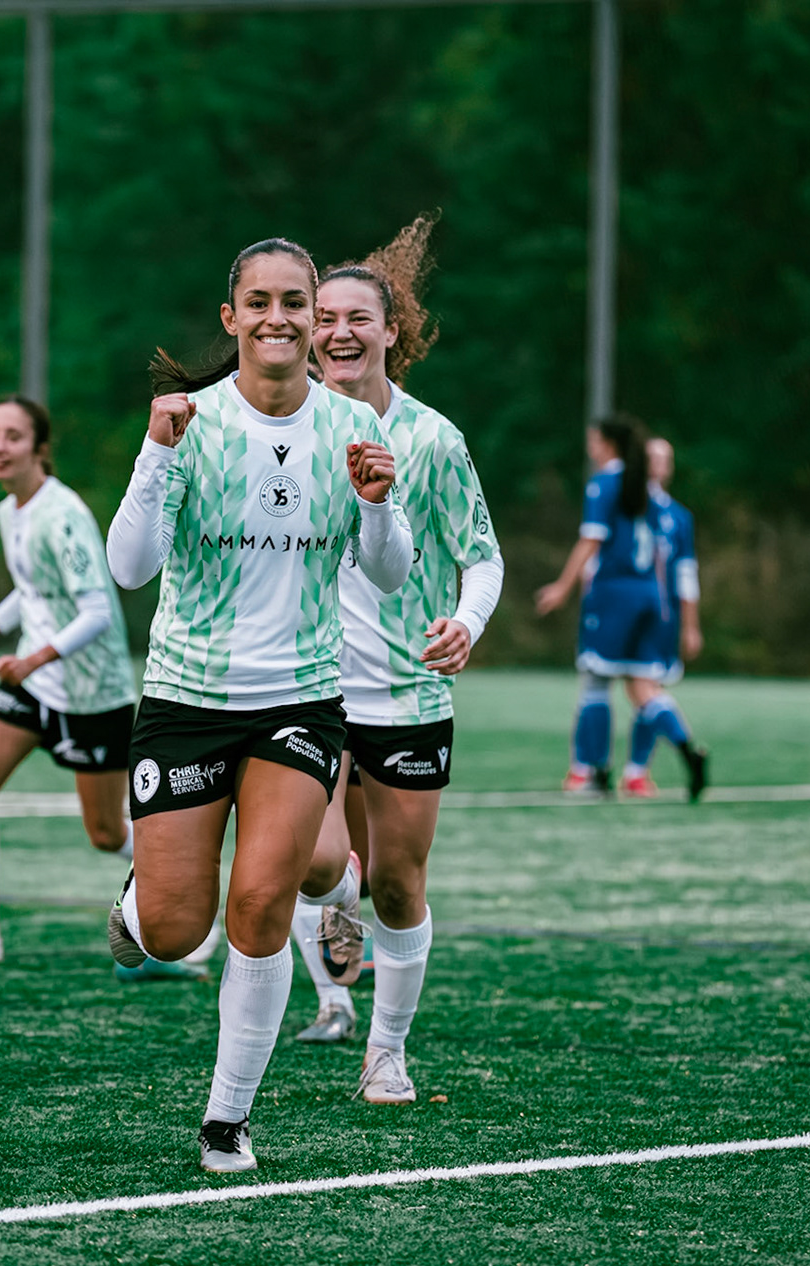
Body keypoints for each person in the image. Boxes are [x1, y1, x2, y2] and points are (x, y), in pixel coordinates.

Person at [103, 238, 414, 1172]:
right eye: (261, 302)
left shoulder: (349, 426)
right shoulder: (188, 422)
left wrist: (375, 504)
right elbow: (129, 567)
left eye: (298, 304)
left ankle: (226, 1120)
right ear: (232, 317)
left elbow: (390, 576)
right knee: (171, 931)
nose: (280, 319)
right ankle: (137, 895)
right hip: (187, 699)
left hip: (300, 704)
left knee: (262, 903)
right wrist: (154, 457)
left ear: (318, 322)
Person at [287, 217, 504, 1105]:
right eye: (323, 318)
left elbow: (481, 555)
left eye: (357, 319)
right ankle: (334, 911)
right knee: (315, 862)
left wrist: (467, 623)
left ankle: (386, 1053)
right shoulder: (280, 428)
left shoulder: (433, 440)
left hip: (411, 694)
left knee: (397, 882)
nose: (338, 332)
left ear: (390, 332)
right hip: (307, 688)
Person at [0, 394, 210, 977]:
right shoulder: (12, 512)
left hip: (90, 692)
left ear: (40, 448)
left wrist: (31, 660)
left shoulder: (63, 515)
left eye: (12, 436)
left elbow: (97, 611)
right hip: (34, 685)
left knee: (107, 834)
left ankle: (189, 906)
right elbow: (30, 592)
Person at [534, 413, 673, 797]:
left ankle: (590, 772)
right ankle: (651, 761)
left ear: (607, 443)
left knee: (596, 682)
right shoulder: (648, 488)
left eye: (594, 440)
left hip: (614, 595)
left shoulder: (606, 483)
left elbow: (591, 540)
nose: (590, 447)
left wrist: (563, 586)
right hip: (649, 594)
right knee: (645, 684)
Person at [628, 436, 708, 800]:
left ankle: (687, 749)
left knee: (641, 689)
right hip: (663, 614)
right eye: (653, 457)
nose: (659, 463)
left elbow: (686, 575)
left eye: (664, 457)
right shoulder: (669, 513)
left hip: (645, 613)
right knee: (648, 692)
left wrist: (691, 625)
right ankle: (636, 773)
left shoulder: (663, 514)